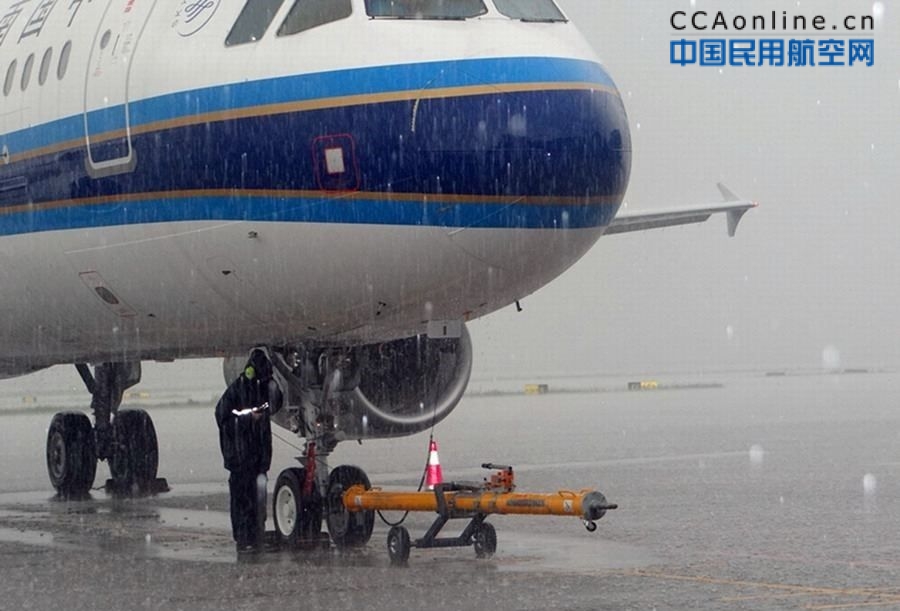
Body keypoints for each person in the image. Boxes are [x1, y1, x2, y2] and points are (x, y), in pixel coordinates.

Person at [214, 349, 282, 554]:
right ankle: (244, 539)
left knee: (258, 502)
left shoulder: (262, 389)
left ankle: (256, 535)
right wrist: (247, 420)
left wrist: (273, 386)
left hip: (258, 459)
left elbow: (276, 403)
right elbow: (221, 417)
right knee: (243, 501)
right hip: (241, 459)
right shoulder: (238, 390)